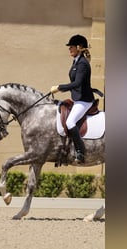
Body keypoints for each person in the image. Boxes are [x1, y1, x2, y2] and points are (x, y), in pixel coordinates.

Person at [51, 34, 95, 164]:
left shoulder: (82, 63)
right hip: (77, 98)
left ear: (79, 47)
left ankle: (80, 151)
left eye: (71, 47)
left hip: (84, 100)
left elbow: (77, 83)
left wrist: (59, 87)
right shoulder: (76, 61)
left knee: (70, 122)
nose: (69, 49)